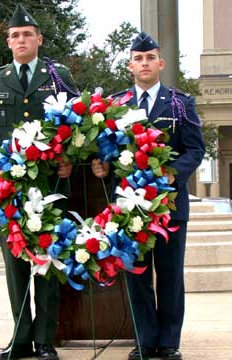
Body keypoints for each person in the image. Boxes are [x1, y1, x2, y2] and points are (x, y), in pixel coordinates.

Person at [0, 4, 79, 360]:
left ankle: (45, 340)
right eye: (15, 35)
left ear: (39, 39)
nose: (22, 40)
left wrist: (69, 159)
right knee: (16, 264)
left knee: (47, 261)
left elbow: (78, 128)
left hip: (50, 187)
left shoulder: (58, 75)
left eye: (27, 34)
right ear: (9, 42)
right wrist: (0, 167)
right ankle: (20, 340)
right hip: (9, 189)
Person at [93, 31, 205, 360]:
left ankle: (169, 342)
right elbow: (108, 150)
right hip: (129, 206)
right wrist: (102, 167)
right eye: (138, 59)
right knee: (137, 275)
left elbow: (195, 150)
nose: (144, 63)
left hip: (169, 205)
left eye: (150, 57)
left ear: (161, 62)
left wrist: (172, 173)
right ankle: (145, 341)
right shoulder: (116, 105)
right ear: (130, 65)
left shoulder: (180, 103)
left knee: (170, 275)